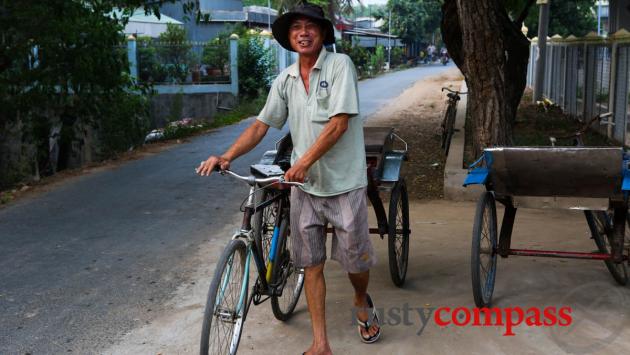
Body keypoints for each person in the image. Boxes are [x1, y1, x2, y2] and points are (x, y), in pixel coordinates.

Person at [196, 3, 381, 354]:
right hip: (304, 189)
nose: (303, 32)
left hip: (344, 183)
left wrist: (305, 161)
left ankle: (360, 299)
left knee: (356, 263)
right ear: (289, 37)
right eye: (296, 27)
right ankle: (320, 343)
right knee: (310, 264)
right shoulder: (286, 79)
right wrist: (226, 155)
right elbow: (261, 125)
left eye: (311, 26)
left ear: (323, 33)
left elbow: (339, 124)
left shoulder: (340, 65)